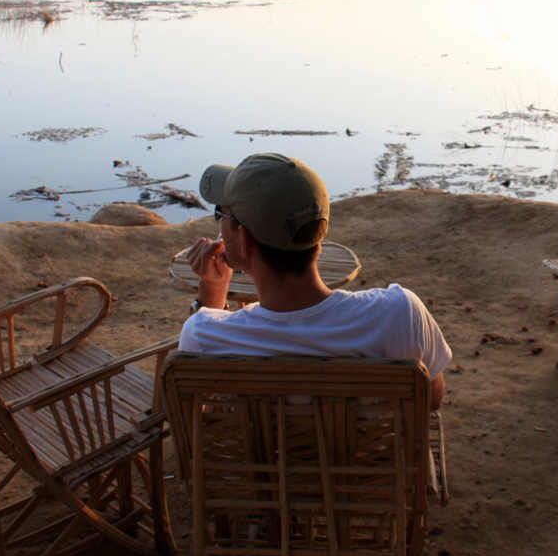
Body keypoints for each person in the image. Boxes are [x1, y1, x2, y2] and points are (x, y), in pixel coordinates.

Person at [180, 152, 451, 408]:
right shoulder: (400, 314)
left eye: (221, 215)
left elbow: (187, 410)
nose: (219, 225)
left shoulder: (204, 335)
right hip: (373, 458)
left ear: (244, 239)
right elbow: (432, 399)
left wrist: (212, 292)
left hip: (263, 458)